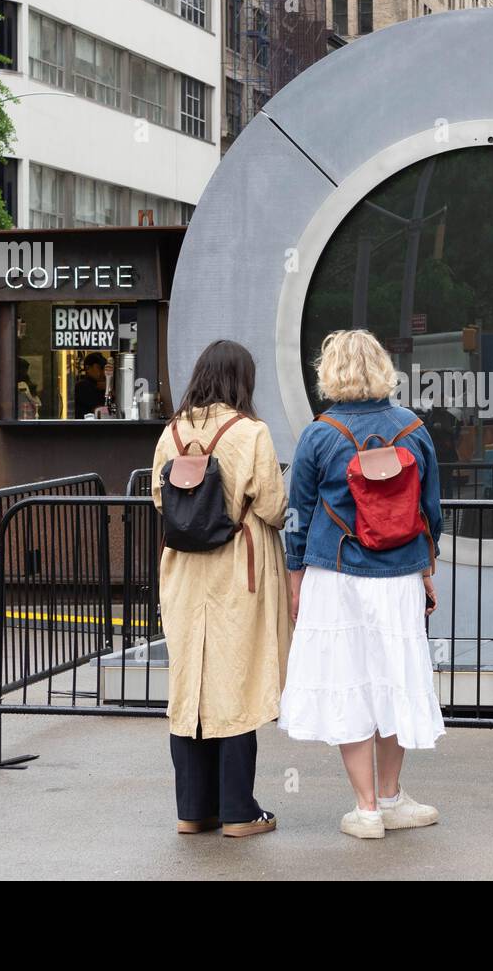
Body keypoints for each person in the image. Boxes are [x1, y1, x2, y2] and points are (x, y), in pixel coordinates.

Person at [279, 329, 445, 840]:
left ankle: (366, 808)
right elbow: (430, 511)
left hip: (337, 571)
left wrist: (295, 576)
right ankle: (393, 797)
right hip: (398, 576)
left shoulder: (319, 433)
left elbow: (298, 516)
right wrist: (425, 564)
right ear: (381, 368)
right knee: (393, 678)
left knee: (348, 680)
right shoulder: (413, 428)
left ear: (330, 371)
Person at [150, 340, 291, 838]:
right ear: (241, 380)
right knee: (239, 680)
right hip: (238, 570)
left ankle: (193, 809)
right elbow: (272, 506)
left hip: (184, 572)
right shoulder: (251, 432)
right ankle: (238, 810)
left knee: (188, 685)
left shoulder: (171, 431)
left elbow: (159, 498)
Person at [73, 352, 108, 418]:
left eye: (103, 368)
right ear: (88, 368)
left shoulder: (102, 385)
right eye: (99, 368)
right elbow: (100, 411)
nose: (102, 372)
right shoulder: (82, 386)